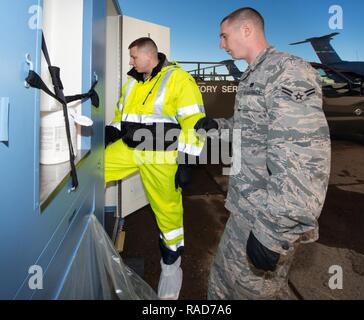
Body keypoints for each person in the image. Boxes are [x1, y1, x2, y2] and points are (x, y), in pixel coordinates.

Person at [195, 7, 331, 299]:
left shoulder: (288, 71)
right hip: (245, 208)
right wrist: (215, 126)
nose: (221, 43)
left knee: (253, 292)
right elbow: (250, 130)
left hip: (267, 216)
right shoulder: (253, 75)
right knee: (220, 284)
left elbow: (305, 160)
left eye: (223, 35)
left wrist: (273, 232)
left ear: (246, 30)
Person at [105, 37, 205, 300]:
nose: (130, 62)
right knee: (94, 169)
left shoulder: (179, 79)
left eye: (133, 57)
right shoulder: (132, 83)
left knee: (168, 212)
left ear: (150, 56)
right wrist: (111, 131)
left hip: (162, 156)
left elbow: (194, 123)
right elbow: (120, 116)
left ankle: (171, 266)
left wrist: (187, 162)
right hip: (129, 148)